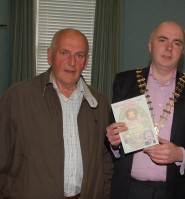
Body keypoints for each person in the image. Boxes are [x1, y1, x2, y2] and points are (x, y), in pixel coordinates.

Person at [0, 28, 113, 199]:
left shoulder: (100, 103)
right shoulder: (17, 97)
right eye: (64, 53)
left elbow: (106, 160)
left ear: (86, 61)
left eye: (79, 55)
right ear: (49, 55)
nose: (72, 62)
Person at [106, 21, 185, 199]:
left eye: (176, 43)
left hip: (173, 191)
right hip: (128, 189)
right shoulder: (124, 82)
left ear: (182, 51)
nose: (169, 48)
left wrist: (179, 154)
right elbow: (112, 135)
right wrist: (114, 142)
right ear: (150, 45)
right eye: (163, 40)